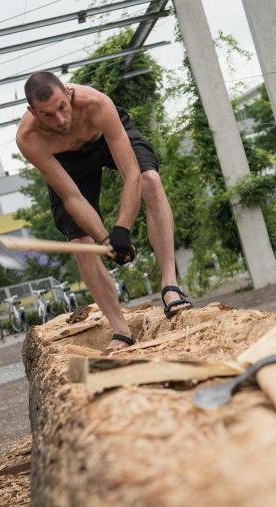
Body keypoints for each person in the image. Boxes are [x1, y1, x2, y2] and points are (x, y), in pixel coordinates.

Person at [16, 71, 192, 350]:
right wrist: (105, 240)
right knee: (79, 242)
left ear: (68, 93)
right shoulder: (29, 139)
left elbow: (130, 172)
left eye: (62, 107)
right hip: (67, 161)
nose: (60, 120)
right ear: (32, 112)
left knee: (150, 180)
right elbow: (72, 196)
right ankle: (121, 330)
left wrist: (122, 229)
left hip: (106, 137)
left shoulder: (97, 104)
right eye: (47, 115)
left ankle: (170, 286)